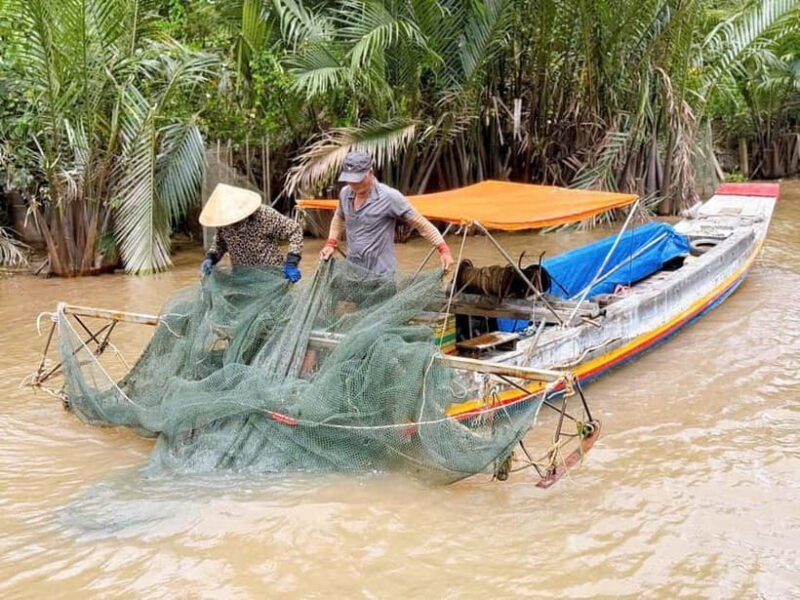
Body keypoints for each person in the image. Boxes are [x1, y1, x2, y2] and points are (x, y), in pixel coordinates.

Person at [318, 152, 454, 275]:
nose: (354, 184)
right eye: (350, 179)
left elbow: (421, 224)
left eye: (358, 179)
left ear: (370, 172)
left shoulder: (390, 197)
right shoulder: (345, 193)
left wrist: (444, 250)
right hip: (353, 271)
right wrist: (331, 243)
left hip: (381, 276)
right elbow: (339, 217)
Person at [199, 183, 303, 282]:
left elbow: (294, 230)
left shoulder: (264, 215)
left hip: (271, 275)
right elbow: (219, 243)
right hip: (242, 278)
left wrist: (292, 262)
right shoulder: (223, 221)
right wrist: (210, 258)